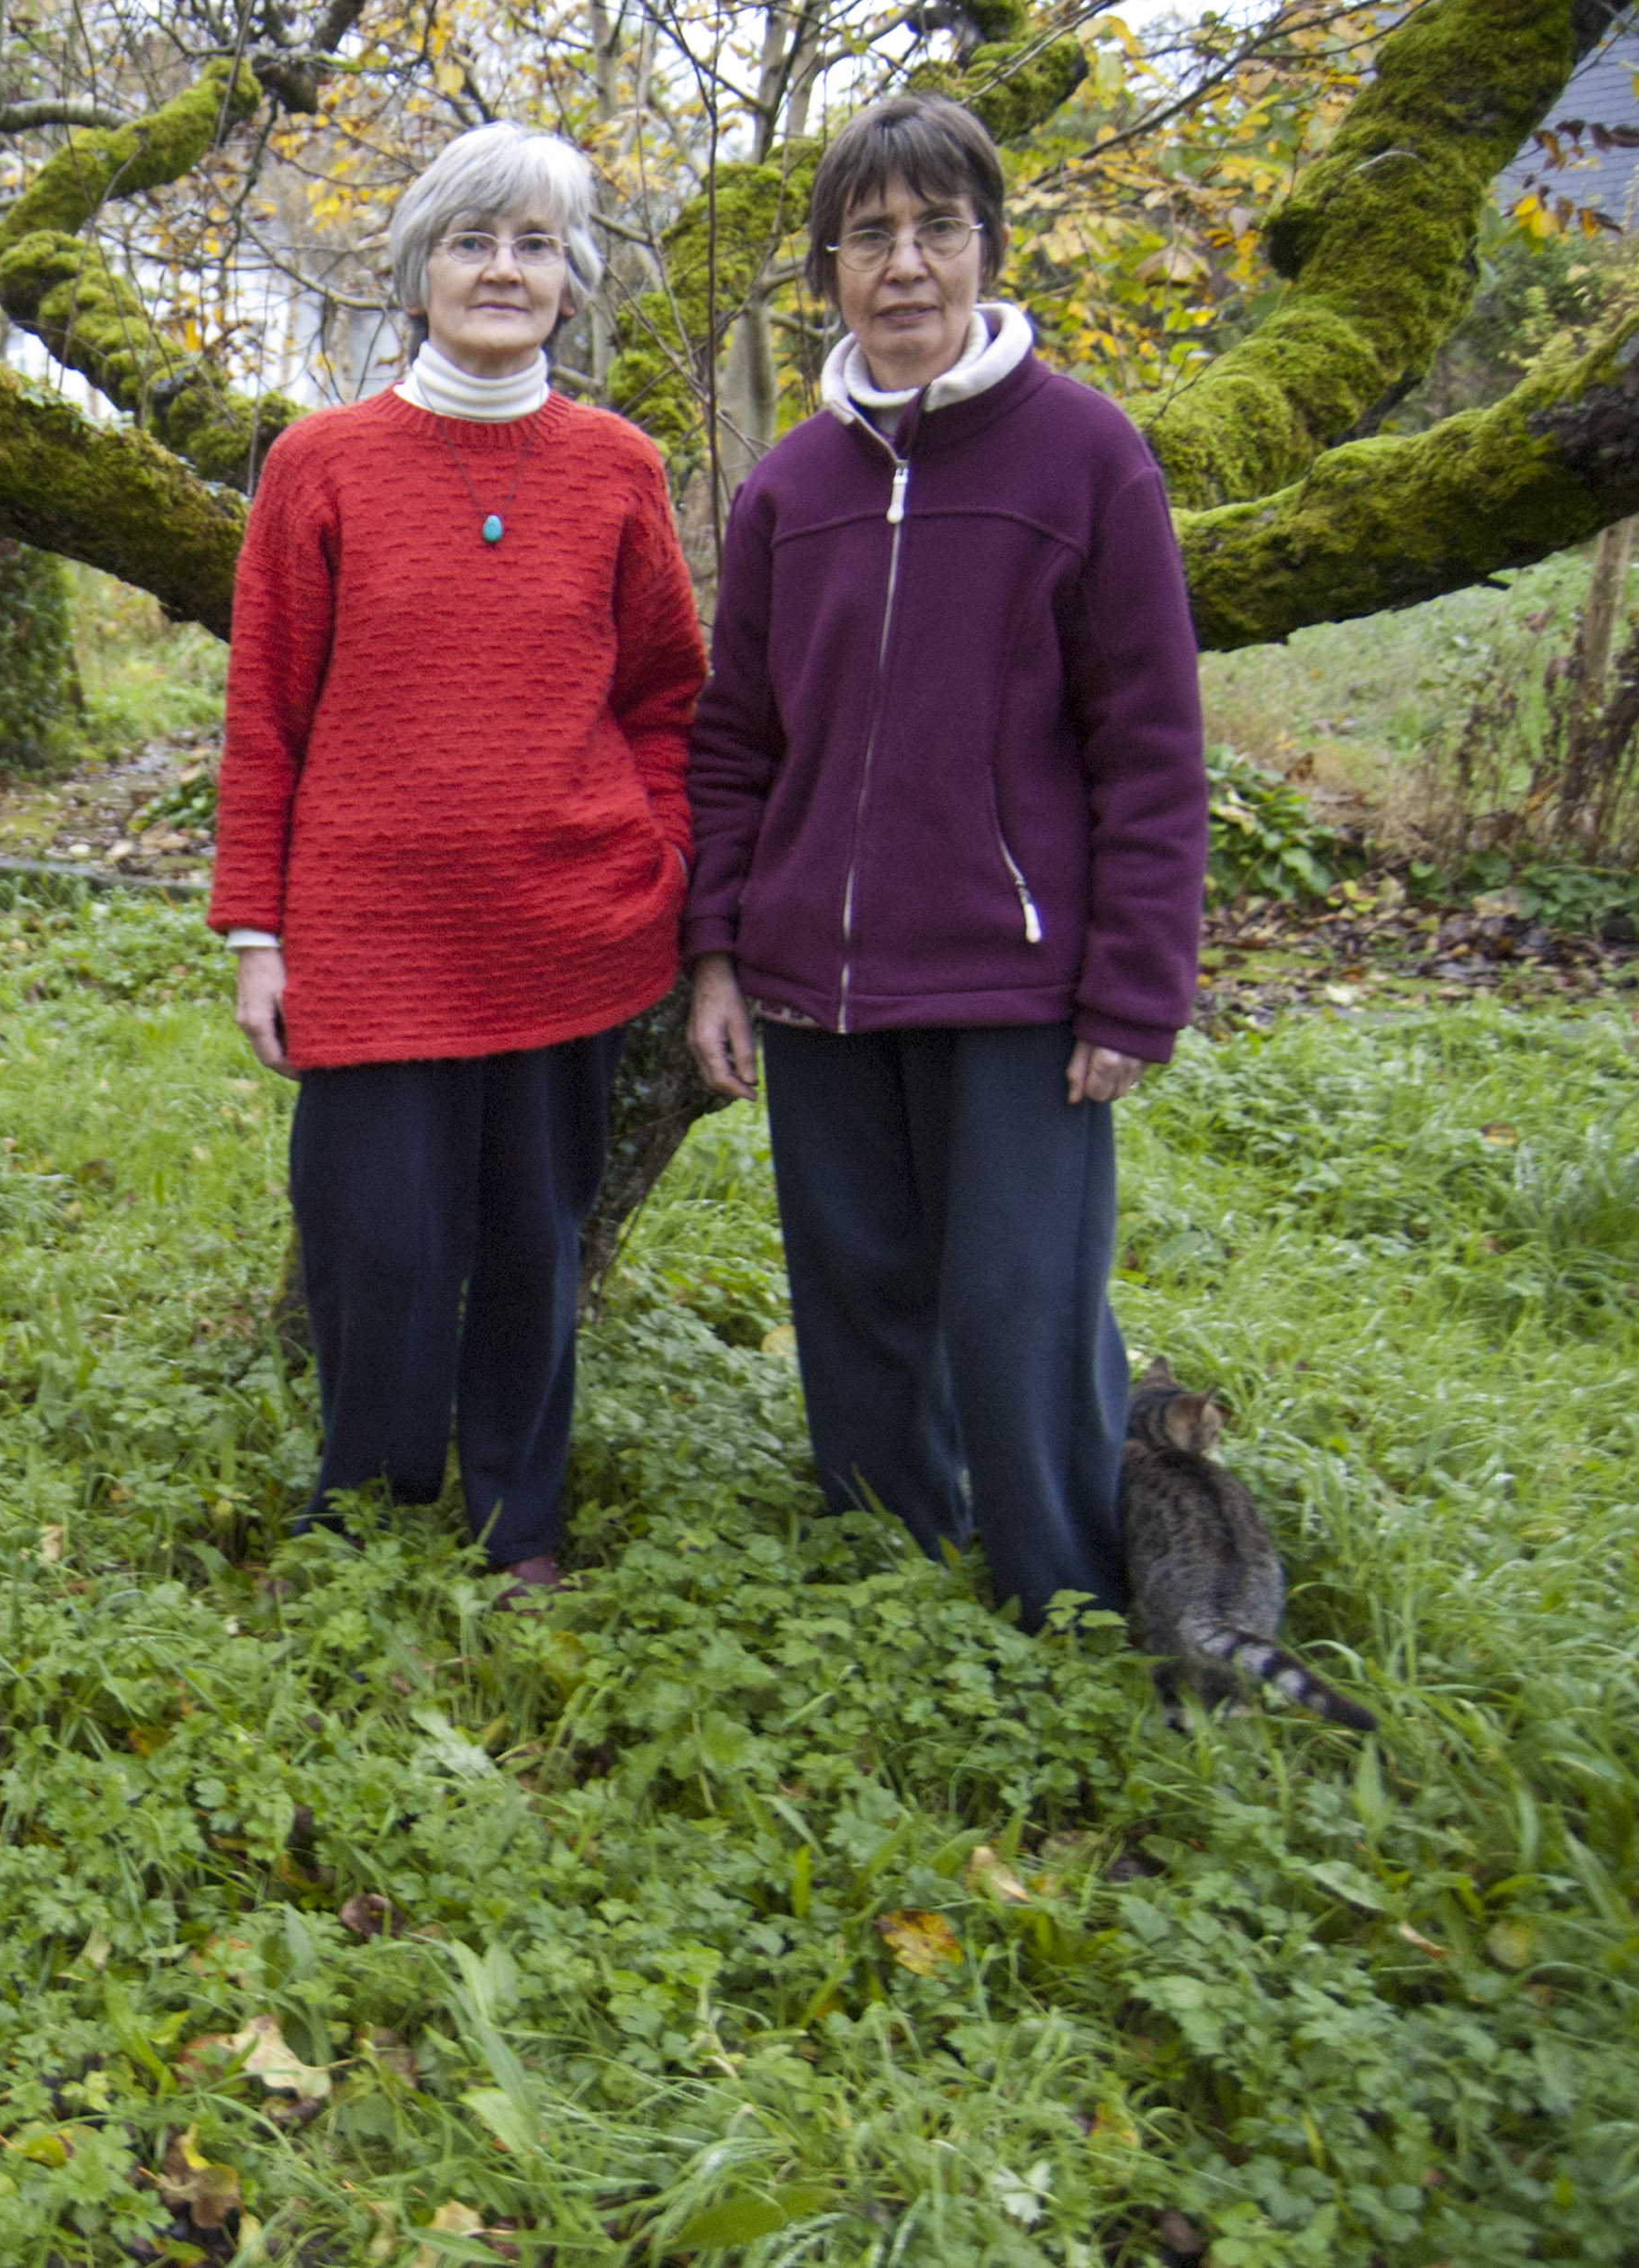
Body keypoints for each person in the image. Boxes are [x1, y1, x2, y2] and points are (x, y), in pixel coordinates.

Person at [681, 93, 1209, 1628]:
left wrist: (1133, 993)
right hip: (819, 985)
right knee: (856, 1297)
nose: (904, 266)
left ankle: (1062, 1596)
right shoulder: (788, 488)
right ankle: (881, 1571)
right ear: (828, 271)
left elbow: (1152, 745)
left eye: (936, 229)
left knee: (1018, 1307)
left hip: (1018, 985)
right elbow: (736, 740)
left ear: (985, 245)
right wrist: (720, 948)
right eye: (868, 237)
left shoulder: (1085, 455)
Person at [211, 121, 707, 1599]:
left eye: (536, 243)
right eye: (472, 241)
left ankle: (518, 1522)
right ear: (416, 269)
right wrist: (257, 932)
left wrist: (662, 861)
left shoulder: (620, 467)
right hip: (366, 941)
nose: (504, 269)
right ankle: (363, 1508)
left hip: (567, 934)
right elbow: (265, 713)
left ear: (573, 280)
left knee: (533, 1251)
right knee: (374, 1242)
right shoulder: (321, 465)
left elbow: (668, 698)